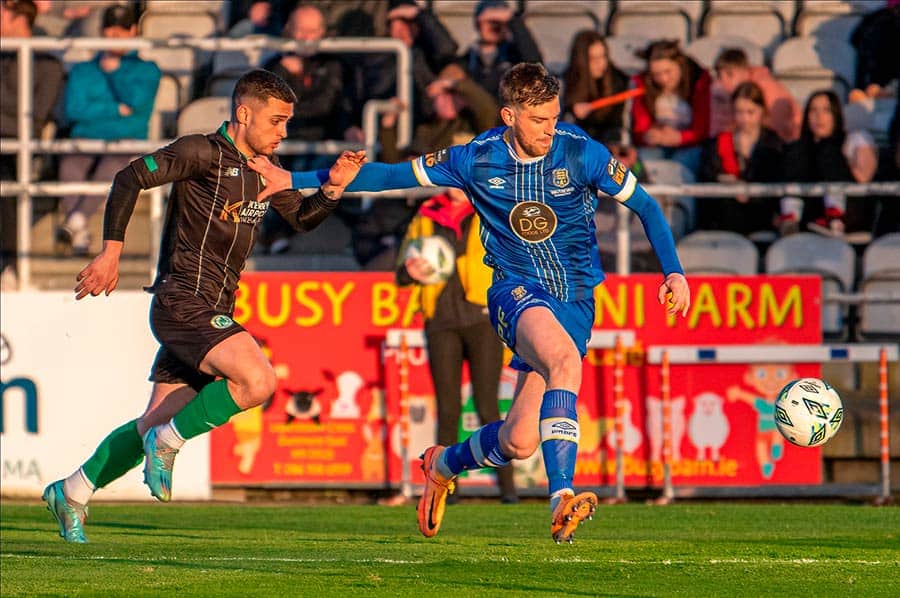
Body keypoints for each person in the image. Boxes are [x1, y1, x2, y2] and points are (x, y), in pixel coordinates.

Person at [249, 63, 691, 544]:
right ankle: (561, 495)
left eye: (554, 117)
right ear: (509, 116)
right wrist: (292, 175)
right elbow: (391, 175)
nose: (551, 129)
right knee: (564, 361)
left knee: (519, 440)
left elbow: (646, 205)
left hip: (576, 300)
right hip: (515, 290)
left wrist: (673, 271)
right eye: (539, 120)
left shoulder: (581, 152)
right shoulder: (476, 158)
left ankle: (443, 463)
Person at [42, 69, 365, 543]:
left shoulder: (265, 171)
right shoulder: (201, 152)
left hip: (212, 310)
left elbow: (301, 219)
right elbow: (129, 176)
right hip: (180, 302)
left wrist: (334, 188)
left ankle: (72, 490)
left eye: (287, 123)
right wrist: (111, 250)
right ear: (243, 113)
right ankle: (169, 442)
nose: (283, 132)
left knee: (151, 420)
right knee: (257, 380)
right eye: (276, 122)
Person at [396, 186, 516, 504]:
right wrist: (409, 271)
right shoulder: (425, 216)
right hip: (441, 319)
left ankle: (508, 489)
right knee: (447, 408)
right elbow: (401, 272)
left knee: (487, 404)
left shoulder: (489, 210)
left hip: (482, 316)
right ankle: (448, 488)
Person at [56, 4, 161, 256]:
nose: (115, 37)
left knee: (114, 167)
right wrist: (117, 109)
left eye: (121, 32)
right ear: (102, 32)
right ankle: (78, 228)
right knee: (70, 164)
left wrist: (115, 74)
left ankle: (75, 224)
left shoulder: (147, 69)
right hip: (87, 137)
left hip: (124, 140)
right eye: (110, 31)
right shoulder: (84, 69)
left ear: (133, 31)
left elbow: (136, 107)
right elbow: (74, 110)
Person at [259, 3, 344, 254]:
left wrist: (293, 82)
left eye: (313, 31)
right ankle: (274, 236)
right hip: (281, 143)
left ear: (324, 32)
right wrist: (285, 73)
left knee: (307, 170)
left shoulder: (333, 65)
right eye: (300, 30)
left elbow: (323, 107)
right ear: (288, 30)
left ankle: (279, 234)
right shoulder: (275, 65)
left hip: (321, 142)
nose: (306, 37)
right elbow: (269, 109)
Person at [0, 0, 64, 285]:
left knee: (6, 181)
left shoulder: (46, 63)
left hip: (20, 144)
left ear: (18, 18)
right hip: (7, 139)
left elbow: (35, 120)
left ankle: (10, 265)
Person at [781, 90, 878, 236]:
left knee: (828, 150)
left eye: (826, 110)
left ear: (836, 114)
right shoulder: (800, 149)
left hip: (850, 208)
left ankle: (835, 216)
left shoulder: (854, 139)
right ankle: (790, 218)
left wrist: (844, 159)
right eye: (813, 110)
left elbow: (864, 178)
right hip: (813, 211)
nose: (819, 117)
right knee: (797, 149)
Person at [698, 81, 784, 236]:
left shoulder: (773, 143)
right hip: (726, 209)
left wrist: (749, 192)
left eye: (750, 112)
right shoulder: (719, 142)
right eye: (739, 112)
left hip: (761, 210)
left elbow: (776, 177)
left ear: (762, 111)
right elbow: (708, 173)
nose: (744, 118)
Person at [631, 40, 711, 176]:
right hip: (656, 143)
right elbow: (640, 126)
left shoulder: (698, 82)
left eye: (668, 71)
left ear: (679, 65)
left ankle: (680, 197)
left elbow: (702, 130)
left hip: (690, 144)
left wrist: (679, 137)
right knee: (639, 164)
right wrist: (649, 136)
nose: (663, 79)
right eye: (657, 74)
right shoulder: (644, 84)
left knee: (679, 167)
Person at [710, 47, 800, 143]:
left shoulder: (768, 88)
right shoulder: (721, 91)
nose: (723, 81)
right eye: (720, 76)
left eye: (730, 74)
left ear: (745, 72)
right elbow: (716, 131)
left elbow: (781, 128)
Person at [458, 0, 542, 98]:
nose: (495, 27)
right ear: (478, 24)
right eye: (490, 21)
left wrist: (514, 20)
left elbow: (535, 64)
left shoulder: (515, 55)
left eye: (499, 22)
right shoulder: (468, 59)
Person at [563, 30, 631, 146]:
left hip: (609, 146)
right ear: (581, 61)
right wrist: (572, 112)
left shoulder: (619, 81)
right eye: (593, 59)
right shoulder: (567, 81)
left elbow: (618, 126)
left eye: (603, 56)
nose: (600, 63)